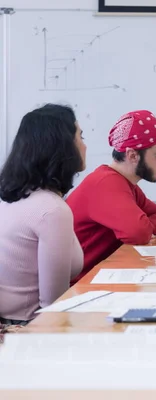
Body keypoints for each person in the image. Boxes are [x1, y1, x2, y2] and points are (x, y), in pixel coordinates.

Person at [0, 104, 86, 324]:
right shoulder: (51, 210)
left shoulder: (14, 197)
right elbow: (53, 306)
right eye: (81, 137)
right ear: (64, 147)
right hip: (25, 331)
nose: (85, 146)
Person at [67, 110, 156, 283]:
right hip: (79, 289)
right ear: (132, 155)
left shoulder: (125, 184)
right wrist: (144, 227)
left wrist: (145, 226)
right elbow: (138, 232)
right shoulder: (106, 183)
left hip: (100, 281)